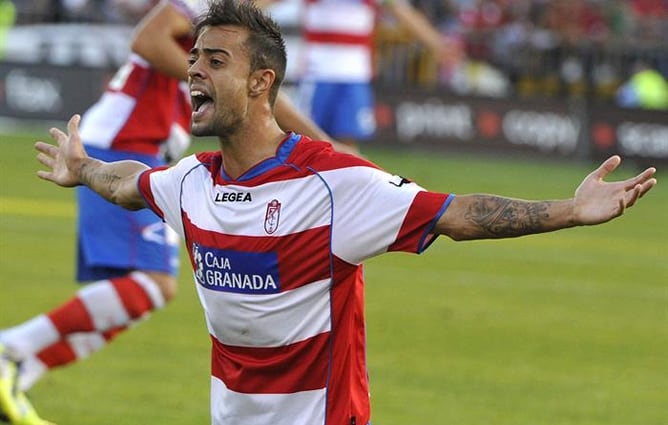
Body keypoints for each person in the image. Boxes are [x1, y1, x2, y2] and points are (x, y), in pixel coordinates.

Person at [31, 0, 656, 423]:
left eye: (214, 61)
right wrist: (82, 169)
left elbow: (457, 213)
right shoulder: (192, 180)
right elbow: (130, 183)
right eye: (193, 59)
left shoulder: (332, 185)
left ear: (261, 82)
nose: (193, 70)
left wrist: (570, 211)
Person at [0, 0, 353, 424]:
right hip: (126, 144)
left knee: (136, 294)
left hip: (130, 143)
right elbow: (148, 40)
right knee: (151, 286)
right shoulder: (206, 10)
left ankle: (20, 371)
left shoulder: (230, 31)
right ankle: (11, 351)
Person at [293, 0, 462, 150]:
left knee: (348, 141)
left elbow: (402, 11)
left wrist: (438, 45)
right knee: (304, 139)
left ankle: (348, 183)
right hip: (317, 73)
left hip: (355, 74)